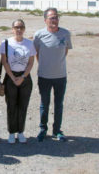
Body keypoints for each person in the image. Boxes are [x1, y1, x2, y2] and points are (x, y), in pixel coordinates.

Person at [33, 8, 72, 142]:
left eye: (56, 17)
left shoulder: (65, 34)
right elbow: (36, 54)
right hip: (44, 76)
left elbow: (65, 51)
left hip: (60, 76)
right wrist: (45, 65)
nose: (54, 20)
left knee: (59, 104)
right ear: (45, 20)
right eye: (51, 18)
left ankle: (57, 131)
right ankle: (43, 129)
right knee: (44, 104)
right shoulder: (38, 35)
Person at [0, 19, 36, 144]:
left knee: (23, 106)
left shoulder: (29, 44)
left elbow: (31, 62)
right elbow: (4, 61)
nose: (19, 29)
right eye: (16, 27)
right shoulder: (6, 43)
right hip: (11, 78)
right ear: (12, 29)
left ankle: (20, 131)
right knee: (11, 106)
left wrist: (23, 77)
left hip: (25, 78)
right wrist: (12, 77)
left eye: (21, 27)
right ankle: (11, 132)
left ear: (24, 29)